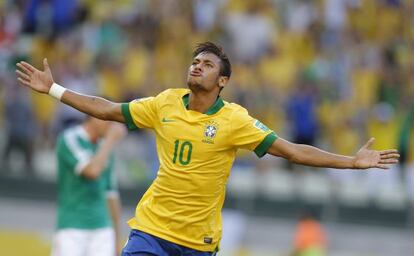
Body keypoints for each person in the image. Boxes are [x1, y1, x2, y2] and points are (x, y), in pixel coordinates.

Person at [16, 42, 399, 256]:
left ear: (223, 80)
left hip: (198, 242)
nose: (197, 66)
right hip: (150, 230)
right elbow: (108, 108)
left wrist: (350, 161)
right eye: (195, 61)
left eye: (208, 64)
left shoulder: (235, 120)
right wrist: (54, 90)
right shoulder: (165, 102)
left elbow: (292, 151)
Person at [51, 115, 126, 256]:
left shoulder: (104, 148)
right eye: (109, 122)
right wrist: (110, 140)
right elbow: (92, 171)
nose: (112, 127)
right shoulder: (70, 138)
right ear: (95, 117)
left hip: (103, 228)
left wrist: (117, 239)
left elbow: (111, 195)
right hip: (72, 226)